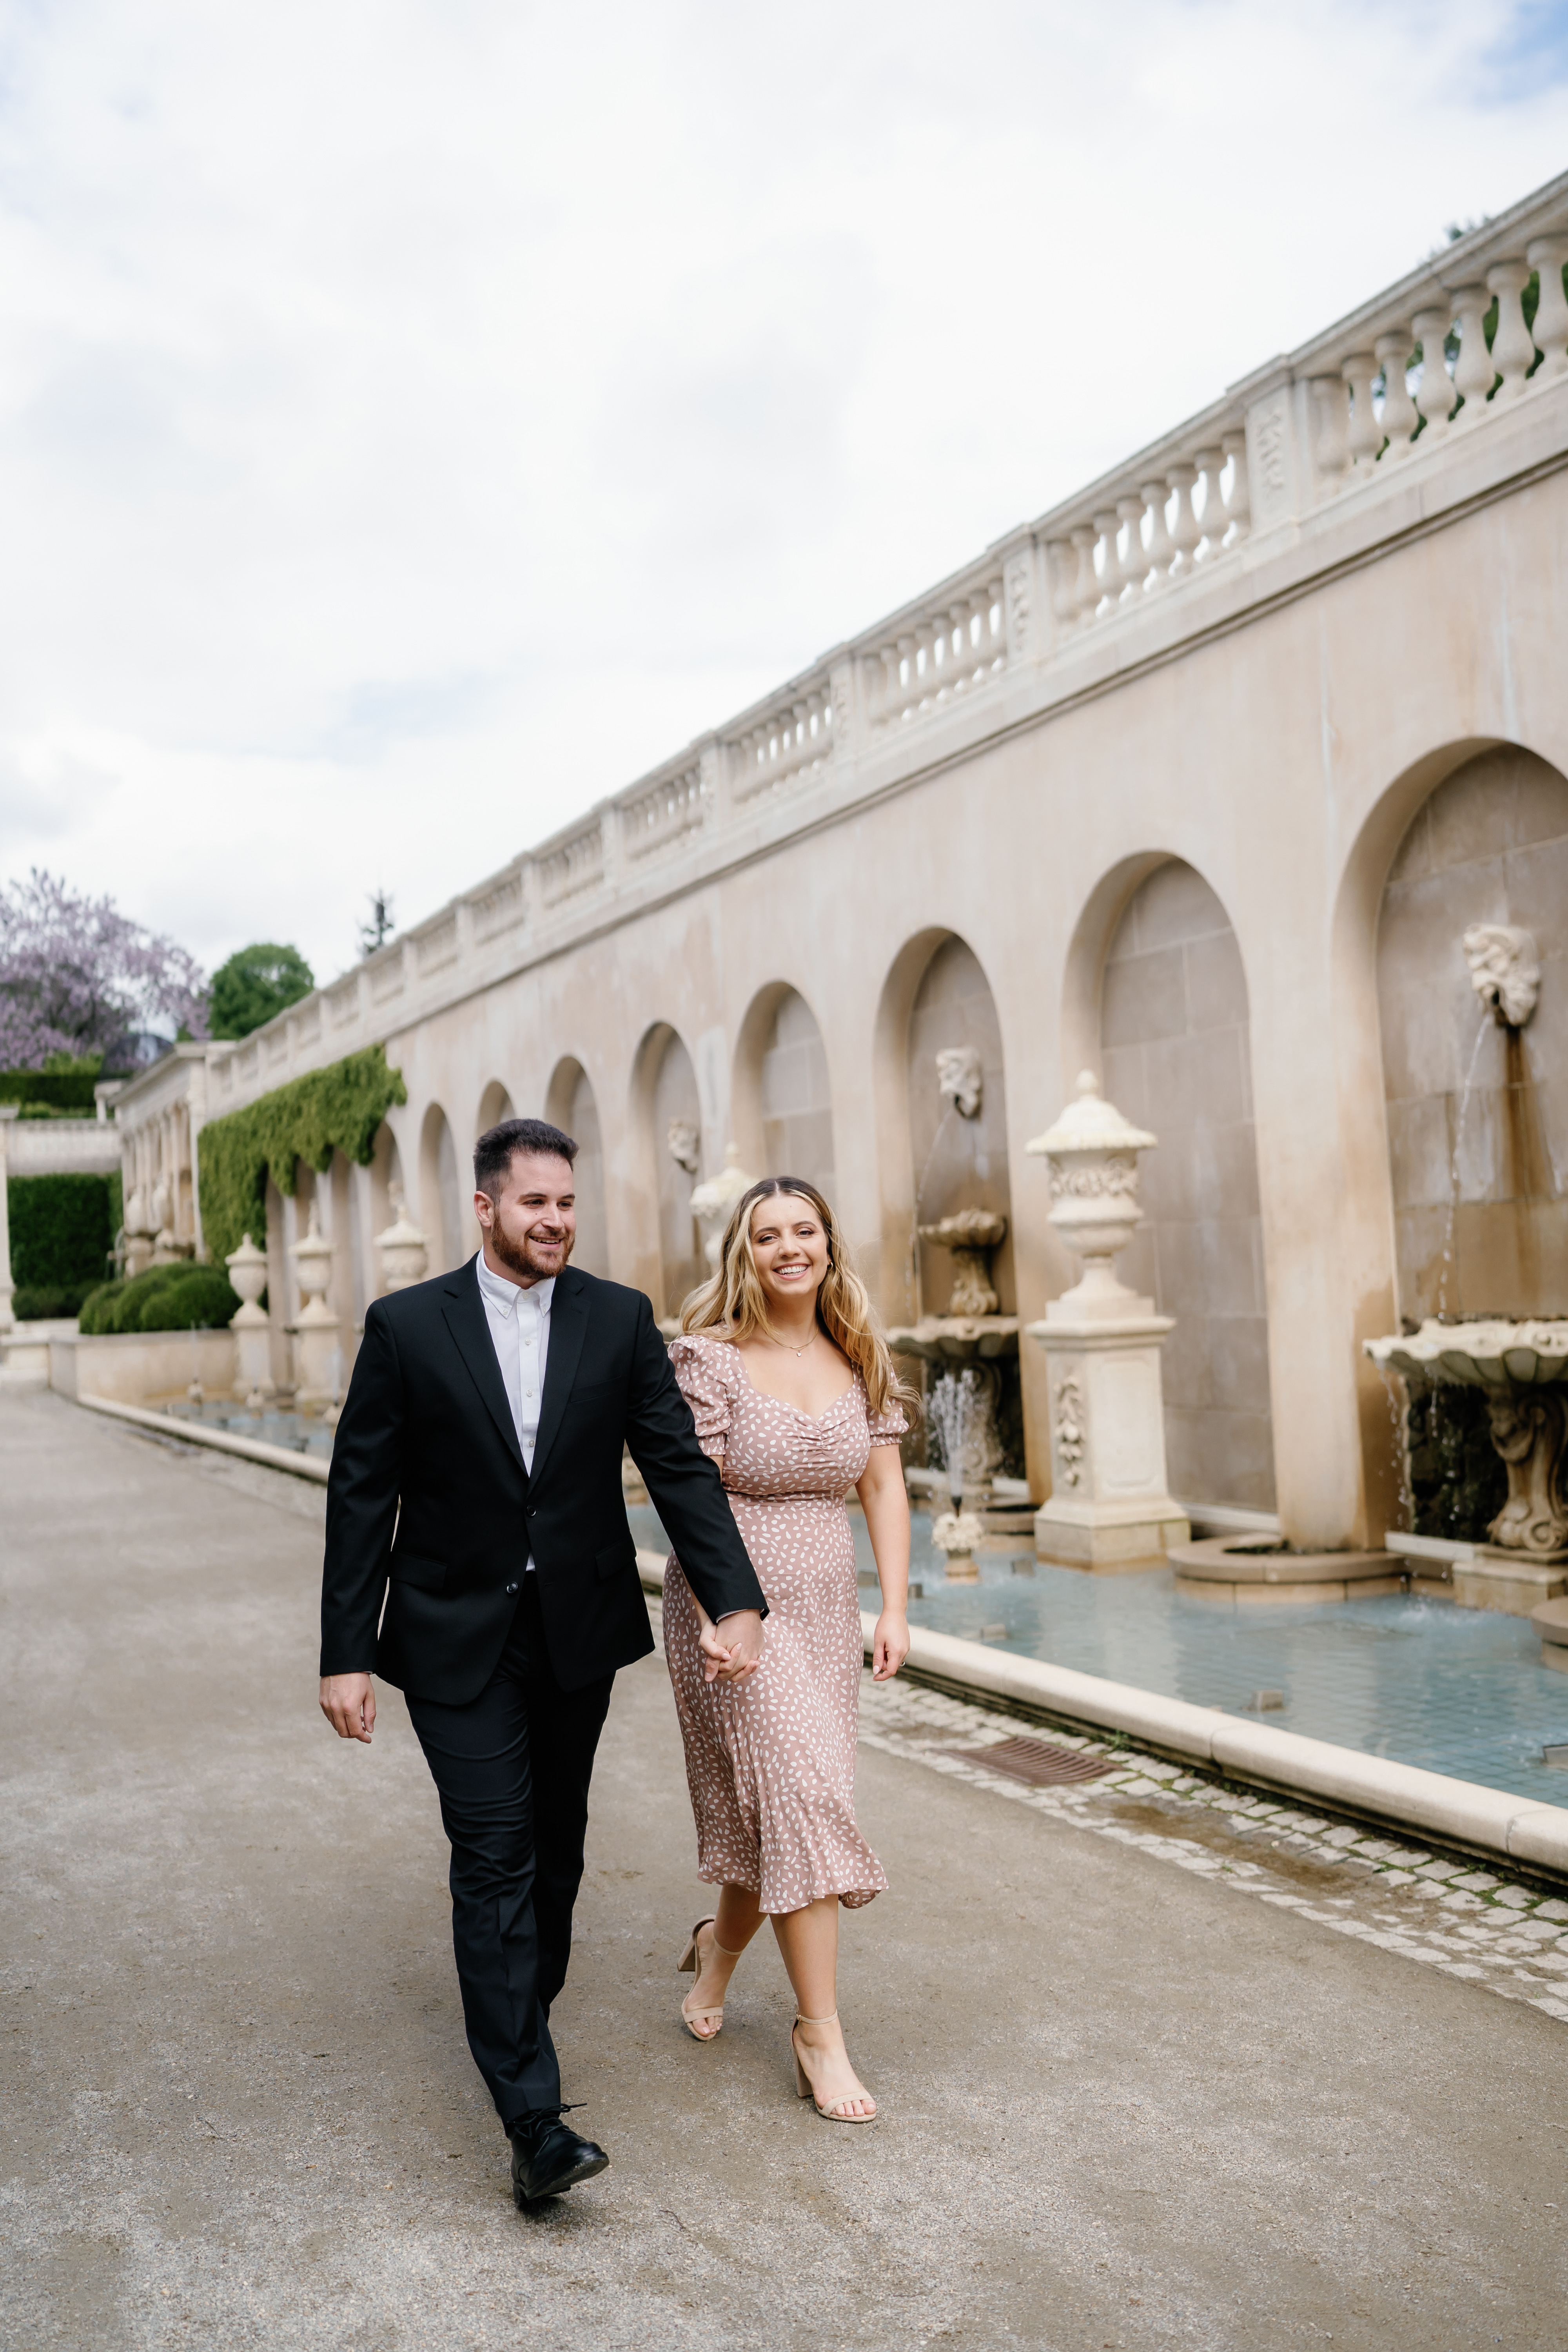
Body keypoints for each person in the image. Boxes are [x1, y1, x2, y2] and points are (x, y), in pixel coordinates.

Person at [318, 1117, 768, 2208]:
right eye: (535, 1204)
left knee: (555, 1854)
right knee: (494, 1856)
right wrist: (346, 1654)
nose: (556, 1221)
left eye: (567, 1203)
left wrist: (737, 1598)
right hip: (450, 1634)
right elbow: (361, 1492)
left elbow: (675, 1468)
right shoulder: (407, 1326)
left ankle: (521, 2016)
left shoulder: (617, 1320)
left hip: (576, 1630)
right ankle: (533, 2118)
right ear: (487, 1209)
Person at [663, 1175, 917, 2122]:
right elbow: (692, 1498)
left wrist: (892, 1609)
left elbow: (883, 1491)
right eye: (766, 1235)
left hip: (823, 1611)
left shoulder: (858, 1355)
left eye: (802, 1230)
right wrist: (719, 1613)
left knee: (771, 1823)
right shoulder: (709, 1361)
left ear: (826, 1243)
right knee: (802, 1800)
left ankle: (713, 1955)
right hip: (734, 1612)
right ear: (744, 1252)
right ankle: (820, 2035)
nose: (787, 1248)